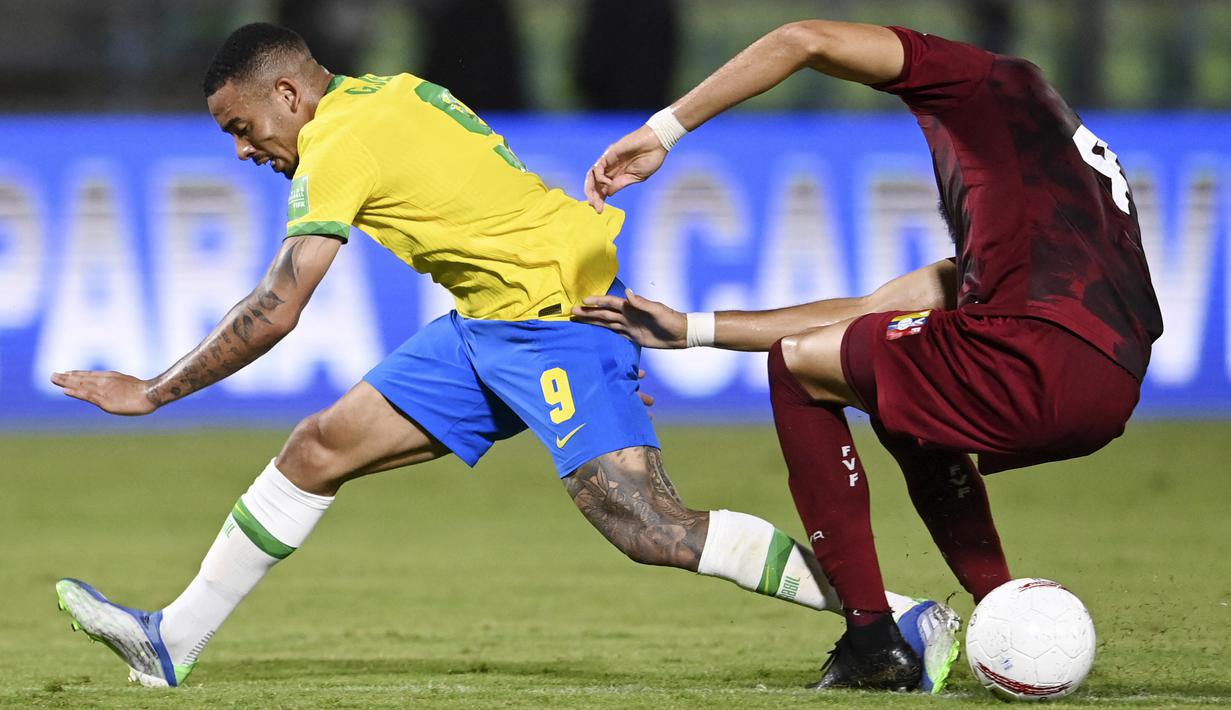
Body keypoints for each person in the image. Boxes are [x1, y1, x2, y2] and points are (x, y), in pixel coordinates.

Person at [51, 23, 959, 693]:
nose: (247, 150)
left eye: (240, 127)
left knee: (648, 526)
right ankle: (172, 637)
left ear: (288, 95)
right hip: (487, 324)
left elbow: (279, 307)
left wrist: (155, 392)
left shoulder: (338, 141)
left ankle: (896, 617)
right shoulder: (388, 92)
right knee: (316, 450)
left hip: (555, 322)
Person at [579, 19, 1163, 690]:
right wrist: (693, 328)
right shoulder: (1052, 184)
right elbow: (873, 315)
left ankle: (868, 641)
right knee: (891, 381)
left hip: (1031, 351)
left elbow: (802, 40)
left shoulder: (985, 83)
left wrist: (662, 132)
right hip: (1105, 386)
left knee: (797, 368)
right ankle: (1004, 611)